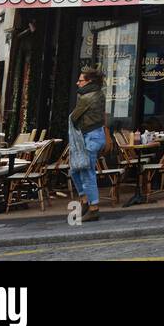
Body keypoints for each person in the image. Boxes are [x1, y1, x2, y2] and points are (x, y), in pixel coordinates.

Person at [69, 68, 106, 222]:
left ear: (89, 81)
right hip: (92, 136)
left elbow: (74, 117)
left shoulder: (87, 97)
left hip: (91, 137)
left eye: (81, 80)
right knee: (75, 170)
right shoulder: (96, 93)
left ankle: (94, 208)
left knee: (86, 171)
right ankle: (84, 200)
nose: (77, 83)